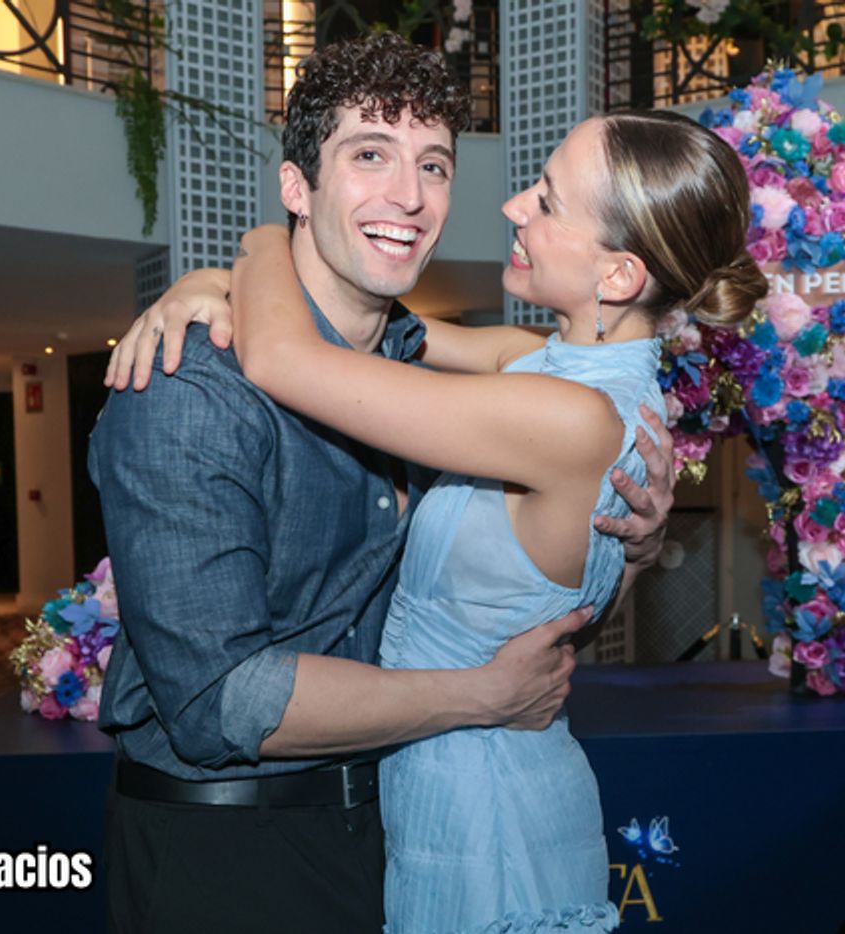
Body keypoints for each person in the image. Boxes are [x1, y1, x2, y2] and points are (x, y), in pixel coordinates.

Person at [112, 104, 765, 930]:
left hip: (481, 808)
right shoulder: (554, 367)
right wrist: (205, 287)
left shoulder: (570, 418)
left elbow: (286, 358)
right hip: (436, 786)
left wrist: (266, 240)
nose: (513, 206)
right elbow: (389, 335)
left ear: (619, 278)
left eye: (549, 201)